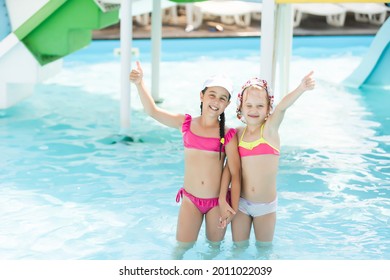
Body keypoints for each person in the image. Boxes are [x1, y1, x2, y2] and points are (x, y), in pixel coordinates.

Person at [129, 62, 241, 256]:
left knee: (213, 251)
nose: (216, 101)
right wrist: (140, 83)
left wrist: (228, 204)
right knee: (180, 249)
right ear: (202, 96)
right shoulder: (186, 123)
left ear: (228, 104)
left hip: (217, 203)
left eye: (222, 98)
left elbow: (234, 171)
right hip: (191, 200)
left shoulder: (229, 134)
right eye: (212, 95)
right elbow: (153, 112)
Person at [220, 71, 315, 247]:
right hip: (240, 204)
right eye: (248, 105)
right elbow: (228, 166)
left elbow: (282, 107)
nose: (254, 110)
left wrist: (301, 88)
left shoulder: (269, 131)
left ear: (268, 108)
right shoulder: (237, 134)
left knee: (264, 250)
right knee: (238, 248)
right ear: (240, 108)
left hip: (265, 206)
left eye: (259, 106)